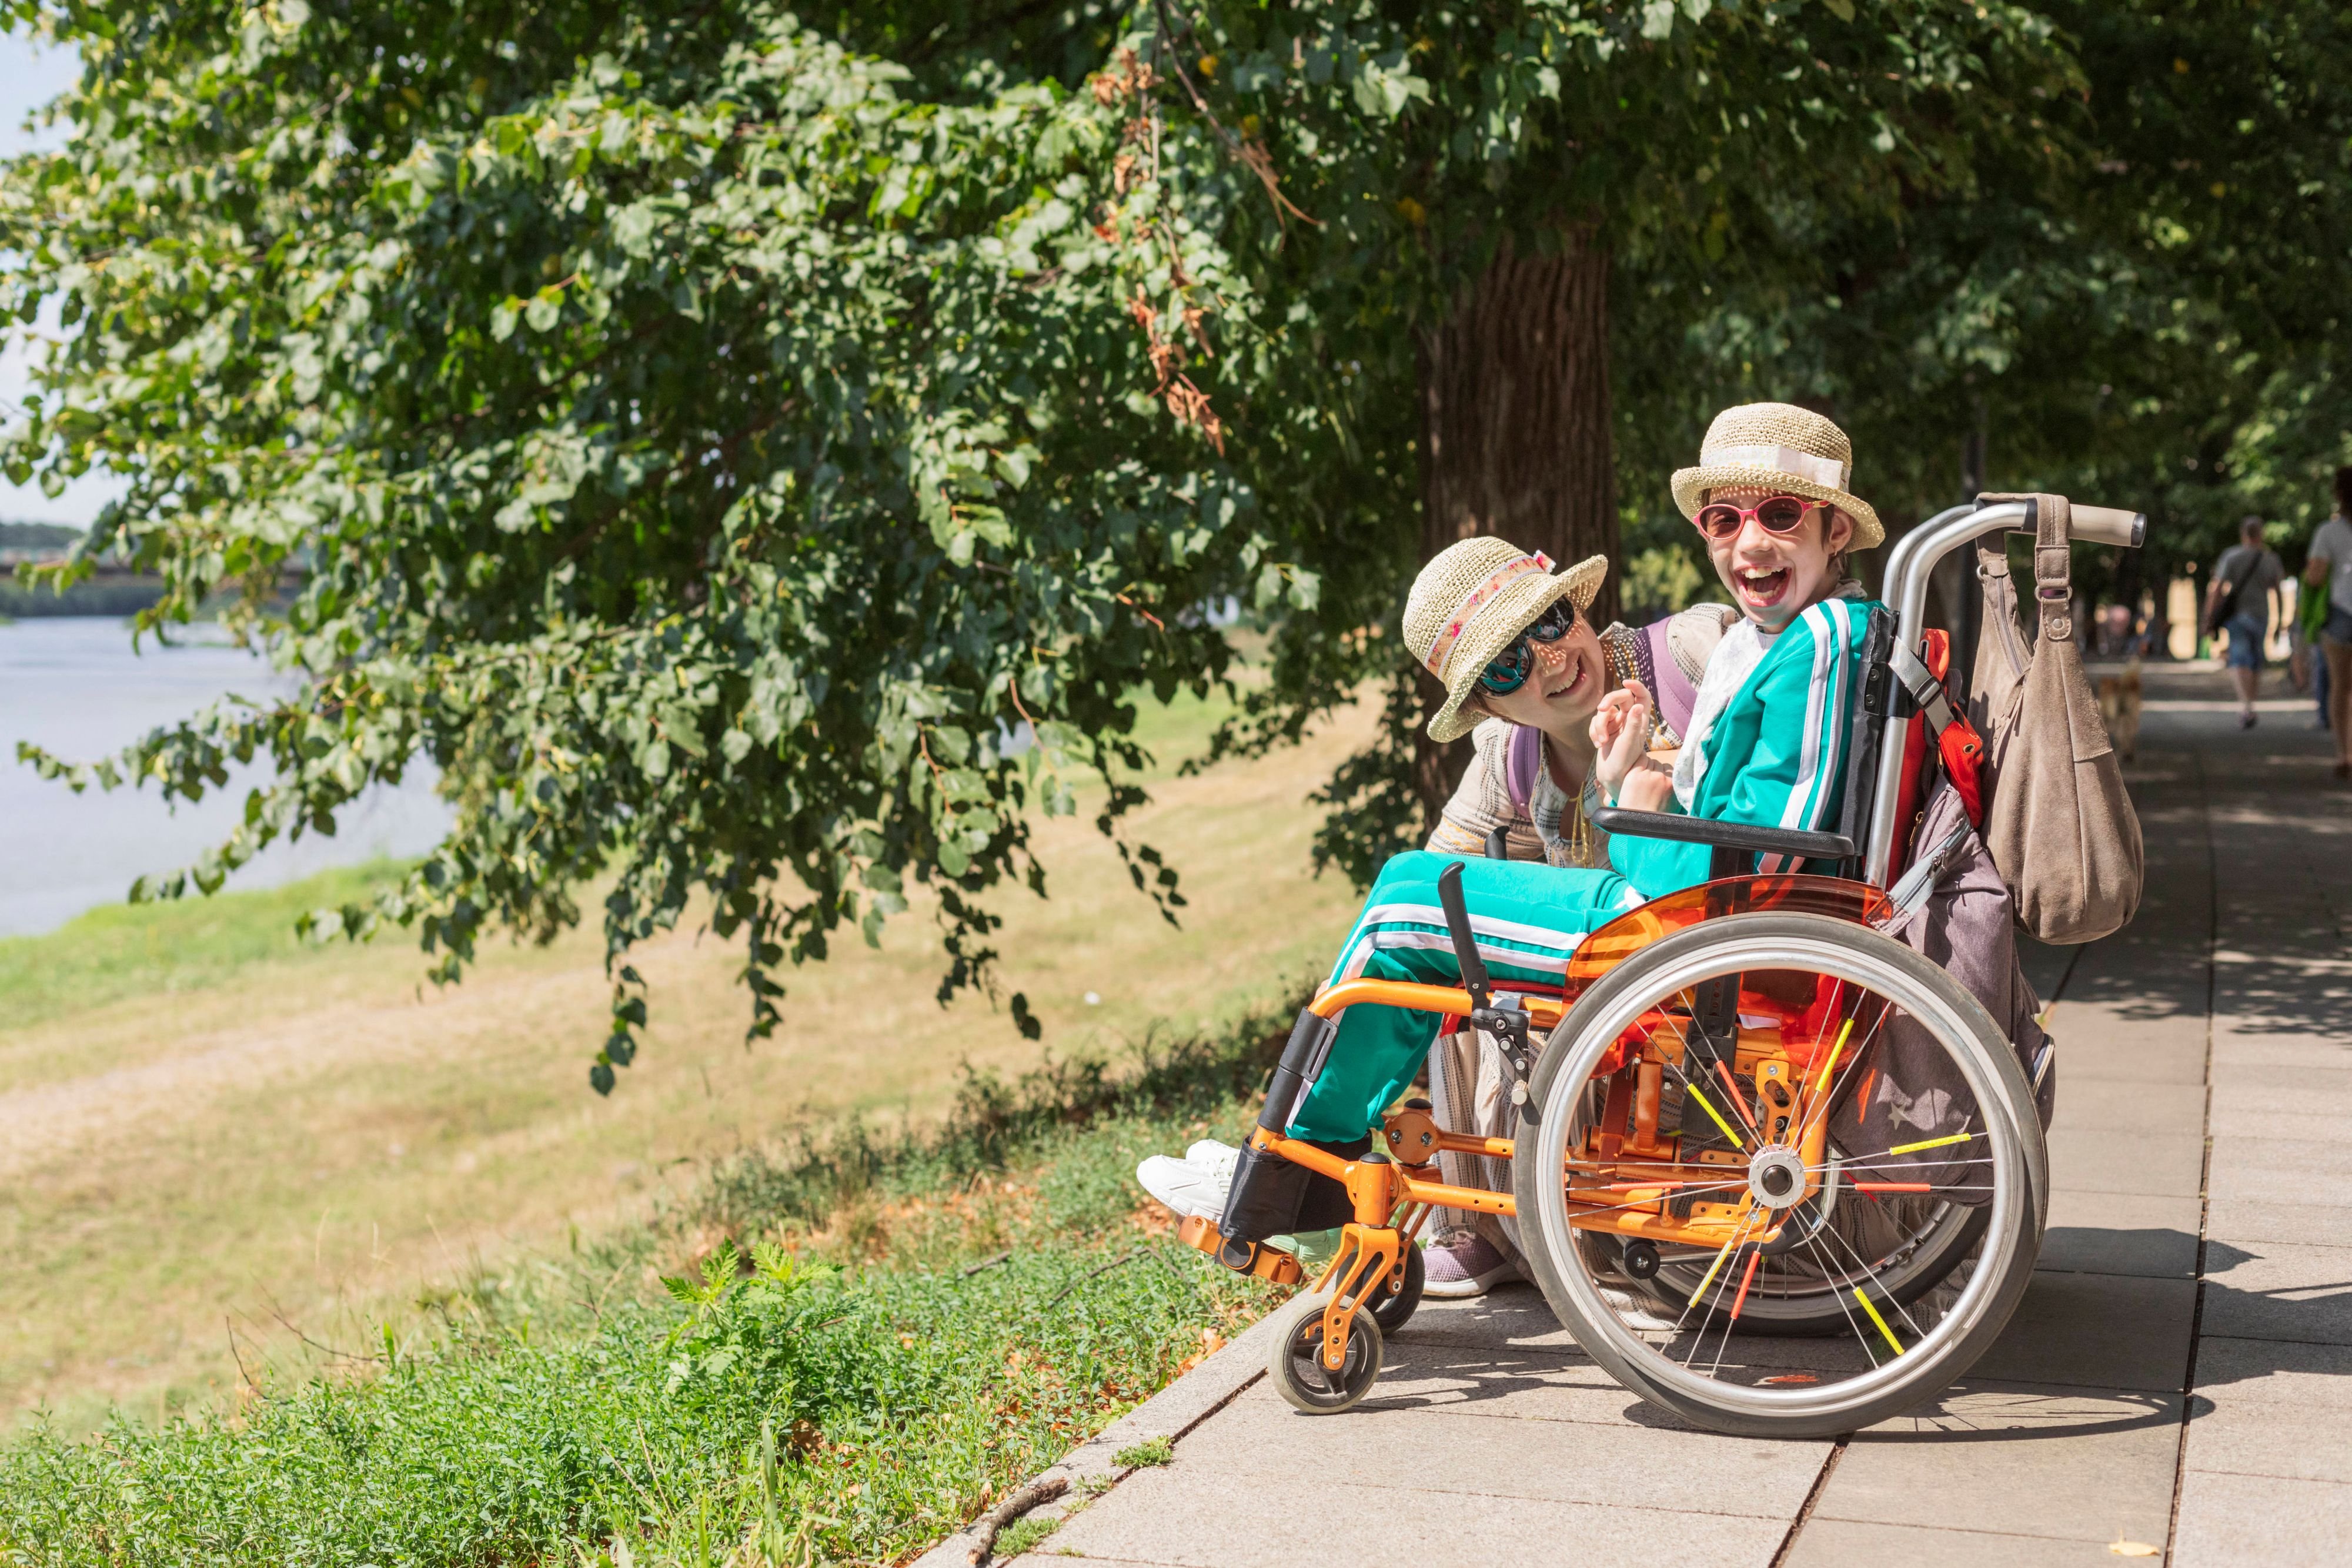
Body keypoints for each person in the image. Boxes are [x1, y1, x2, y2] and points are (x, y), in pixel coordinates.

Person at [1144, 402, 1886, 1287]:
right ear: (1489, 709)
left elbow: (1752, 860)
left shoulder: (1742, 646)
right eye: (1505, 667)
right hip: (1682, 922)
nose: (1546, 659)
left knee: (1408, 909)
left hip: (1688, 933)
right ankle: (1336, 1177)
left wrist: (1635, 789)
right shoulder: (1784, 645)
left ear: (1833, 526)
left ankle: (1286, 1173)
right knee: (1417, 907)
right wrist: (1630, 786)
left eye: (1548, 622)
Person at [2206, 516, 2286, 730]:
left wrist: (2209, 618)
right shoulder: (2271, 560)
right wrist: (2280, 622)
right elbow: (2278, 592)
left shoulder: (2231, 557)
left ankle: (2246, 705)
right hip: (2262, 616)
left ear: (2243, 534)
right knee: (2256, 660)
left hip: (2238, 617)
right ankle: (2251, 703)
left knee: (2240, 660)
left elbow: (2217, 589)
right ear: (2261, 534)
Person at [2308, 468, 2352, 779]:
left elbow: (2315, 577)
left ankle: (2344, 753)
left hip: (2340, 613)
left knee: (2341, 686)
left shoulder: (2329, 532)